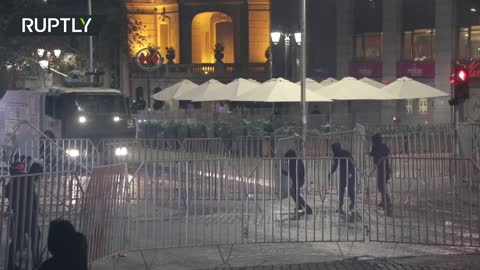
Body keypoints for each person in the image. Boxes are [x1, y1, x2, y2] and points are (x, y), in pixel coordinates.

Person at [6, 160, 42, 270]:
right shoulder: (28, 179)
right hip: (26, 213)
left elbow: (7, 192)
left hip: (20, 212)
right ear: (36, 173)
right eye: (39, 175)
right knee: (35, 235)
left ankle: (11, 264)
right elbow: (32, 198)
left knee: (18, 239)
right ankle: (36, 261)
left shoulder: (22, 178)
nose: (40, 178)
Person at [282, 149, 313, 215]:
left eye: (287, 158)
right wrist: (286, 173)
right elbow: (293, 172)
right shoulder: (296, 161)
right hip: (297, 180)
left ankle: (308, 208)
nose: (287, 160)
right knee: (294, 193)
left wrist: (287, 173)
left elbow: (294, 172)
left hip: (298, 180)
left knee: (295, 194)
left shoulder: (294, 162)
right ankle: (299, 206)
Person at [329, 143, 356, 214]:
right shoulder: (336, 155)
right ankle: (340, 207)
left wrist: (350, 172)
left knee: (350, 190)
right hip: (343, 173)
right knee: (341, 190)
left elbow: (352, 162)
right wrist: (331, 172)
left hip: (350, 172)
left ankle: (353, 203)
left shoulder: (346, 153)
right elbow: (335, 164)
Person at [370, 133, 392, 215]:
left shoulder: (375, 146)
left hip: (381, 168)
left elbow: (371, 153)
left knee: (381, 186)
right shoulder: (384, 146)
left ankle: (387, 202)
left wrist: (372, 147)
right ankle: (385, 201)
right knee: (382, 186)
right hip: (386, 167)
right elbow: (387, 152)